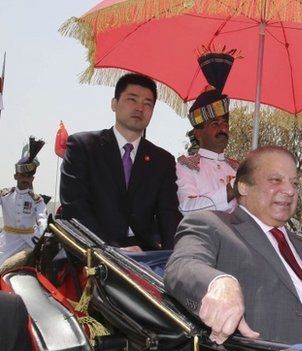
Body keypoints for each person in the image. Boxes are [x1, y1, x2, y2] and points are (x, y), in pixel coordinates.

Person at [165, 146, 302, 350]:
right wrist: (217, 283)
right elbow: (182, 266)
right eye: (276, 180)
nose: (289, 190)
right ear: (243, 186)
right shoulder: (212, 225)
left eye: (294, 183)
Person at [60, 73, 181, 251]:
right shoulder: (83, 147)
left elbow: (168, 215)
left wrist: (175, 260)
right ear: (114, 104)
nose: (140, 108)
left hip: (144, 255)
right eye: (132, 99)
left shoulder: (163, 160)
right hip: (89, 252)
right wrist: (111, 250)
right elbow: (75, 209)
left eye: (148, 103)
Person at [176, 51, 238, 213]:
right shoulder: (187, 166)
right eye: (214, 123)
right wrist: (230, 191)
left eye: (225, 123)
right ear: (198, 133)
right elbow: (187, 207)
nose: (222, 128)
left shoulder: (238, 169)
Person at [0, 137, 47, 265]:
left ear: (33, 179)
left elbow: (43, 219)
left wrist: (42, 234)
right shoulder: (4, 195)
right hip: (6, 242)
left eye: (30, 177)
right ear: (16, 176)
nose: (26, 179)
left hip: (30, 241)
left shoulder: (37, 200)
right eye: (23, 176)